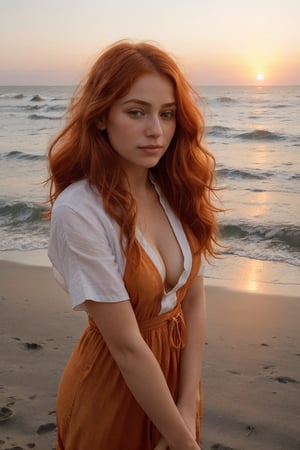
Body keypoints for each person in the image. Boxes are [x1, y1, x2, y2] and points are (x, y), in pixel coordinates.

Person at [47, 40, 219, 450]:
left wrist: (187, 399)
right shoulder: (81, 211)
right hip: (112, 390)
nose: (156, 131)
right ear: (101, 116)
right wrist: (185, 443)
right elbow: (125, 346)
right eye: (136, 112)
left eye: (168, 114)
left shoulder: (175, 188)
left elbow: (192, 301)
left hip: (175, 387)